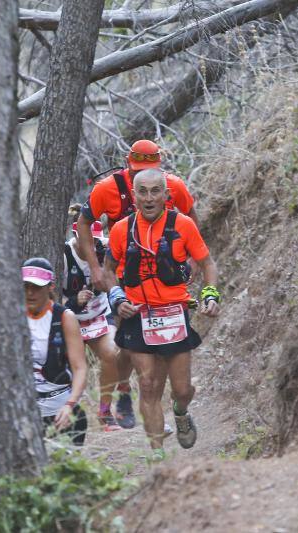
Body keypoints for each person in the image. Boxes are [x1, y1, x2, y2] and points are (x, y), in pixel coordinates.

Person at [76, 139, 199, 429]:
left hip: (164, 278)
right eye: (136, 170)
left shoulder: (172, 187)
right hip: (122, 276)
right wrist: (95, 268)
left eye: (149, 169)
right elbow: (84, 222)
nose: (141, 176)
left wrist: (191, 262)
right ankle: (125, 399)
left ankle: (138, 402)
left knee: (141, 347)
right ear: (126, 162)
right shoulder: (107, 189)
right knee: (132, 345)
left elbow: (191, 216)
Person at [104, 169, 221, 459]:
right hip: (137, 315)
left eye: (155, 191)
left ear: (167, 195)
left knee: (182, 389)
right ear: (134, 196)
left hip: (174, 313)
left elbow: (207, 264)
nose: (149, 198)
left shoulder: (183, 225)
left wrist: (210, 294)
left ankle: (181, 413)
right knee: (147, 383)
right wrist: (117, 298)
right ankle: (158, 456)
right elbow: (108, 271)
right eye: (142, 192)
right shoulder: (121, 230)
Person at [63, 220, 130, 431]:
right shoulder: (64, 255)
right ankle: (69, 417)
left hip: (100, 313)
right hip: (71, 318)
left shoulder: (106, 248)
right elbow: (51, 297)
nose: (92, 245)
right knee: (69, 369)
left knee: (112, 353)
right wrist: (74, 301)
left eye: (95, 240)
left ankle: (105, 412)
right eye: (87, 240)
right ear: (77, 236)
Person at [22, 257, 88, 446]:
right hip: (25, 415)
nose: (30, 293)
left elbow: (80, 368)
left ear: (50, 287)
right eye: (26, 286)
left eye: (36, 287)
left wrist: (70, 405)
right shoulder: (11, 318)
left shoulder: (64, 318)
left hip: (61, 412)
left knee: (64, 473)